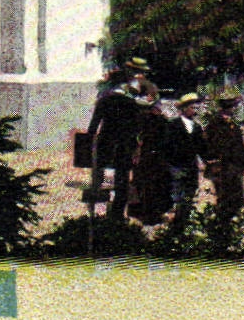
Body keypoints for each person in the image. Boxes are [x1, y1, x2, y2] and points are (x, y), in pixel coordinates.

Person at [85, 58, 149, 219]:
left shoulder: (103, 100)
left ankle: (94, 215)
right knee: (122, 183)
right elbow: (137, 128)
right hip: (124, 147)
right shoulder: (131, 103)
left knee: (98, 181)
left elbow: (92, 128)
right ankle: (117, 215)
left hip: (105, 146)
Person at [203, 92, 244, 219]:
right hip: (222, 168)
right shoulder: (213, 126)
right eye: (229, 109)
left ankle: (234, 222)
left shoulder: (233, 126)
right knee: (224, 198)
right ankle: (223, 225)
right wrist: (212, 164)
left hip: (235, 168)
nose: (230, 113)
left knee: (237, 197)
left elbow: (240, 147)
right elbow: (207, 148)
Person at [127, 82, 172, 225]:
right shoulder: (158, 120)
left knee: (144, 184)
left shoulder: (137, 119)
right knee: (151, 185)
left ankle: (143, 213)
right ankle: (150, 214)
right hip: (152, 157)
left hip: (146, 157)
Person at [164, 93, 209, 228]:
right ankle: (174, 224)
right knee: (177, 195)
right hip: (176, 166)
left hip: (191, 166)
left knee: (190, 194)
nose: (194, 111)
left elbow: (201, 148)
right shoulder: (172, 125)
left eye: (196, 108)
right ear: (183, 109)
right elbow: (166, 146)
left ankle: (183, 221)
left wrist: (208, 161)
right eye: (191, 107)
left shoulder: (196, 127)